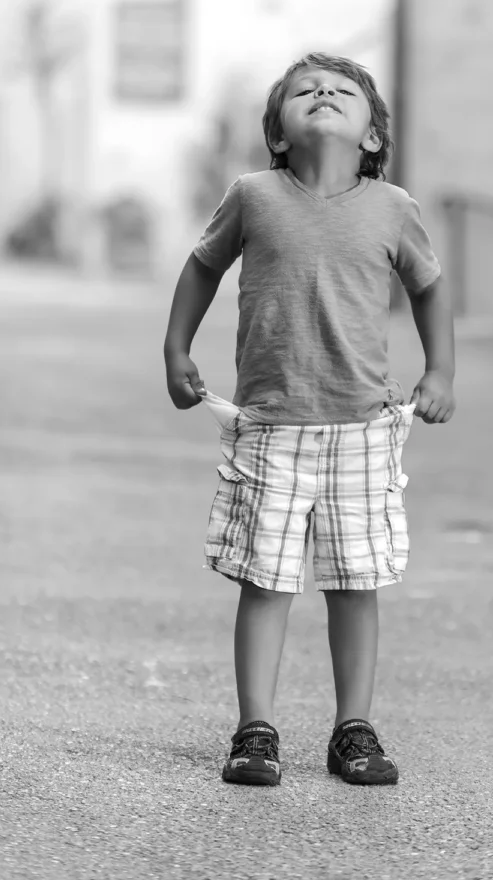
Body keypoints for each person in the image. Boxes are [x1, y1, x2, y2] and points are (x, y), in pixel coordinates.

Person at [164, 51, 455, 787]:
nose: (323, 93)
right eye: (304, 92)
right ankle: (254, 729)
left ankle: (351, 729)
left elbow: (428, 287)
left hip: (362, 426)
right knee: (265, 582)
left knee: (355, 583)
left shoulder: (393, 208)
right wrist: (176, 348)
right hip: (270, 425)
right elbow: (202, 265)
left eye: (342, 91)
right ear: (281, 135)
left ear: (372, 138)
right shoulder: (255, 196)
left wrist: (440, 370)